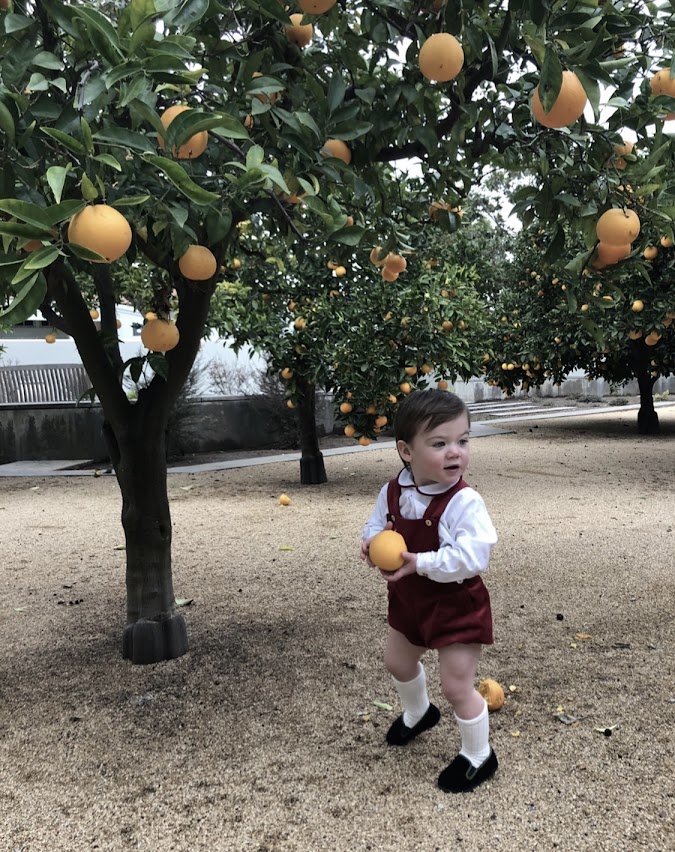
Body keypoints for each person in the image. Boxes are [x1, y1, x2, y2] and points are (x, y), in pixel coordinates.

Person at [360, 389, 498, 793]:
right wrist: (371, 543)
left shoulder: (464, 502)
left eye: (463, 440)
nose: (455, 452)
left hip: (456, 606)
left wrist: (418, 562)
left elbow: (472, 557)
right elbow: (377, 525)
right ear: (407, 451)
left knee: (456, 686)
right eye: (439, 444)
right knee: (397, 662)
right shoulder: (392, 492)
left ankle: (479, 755)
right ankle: (419, 712)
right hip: (411, 602)